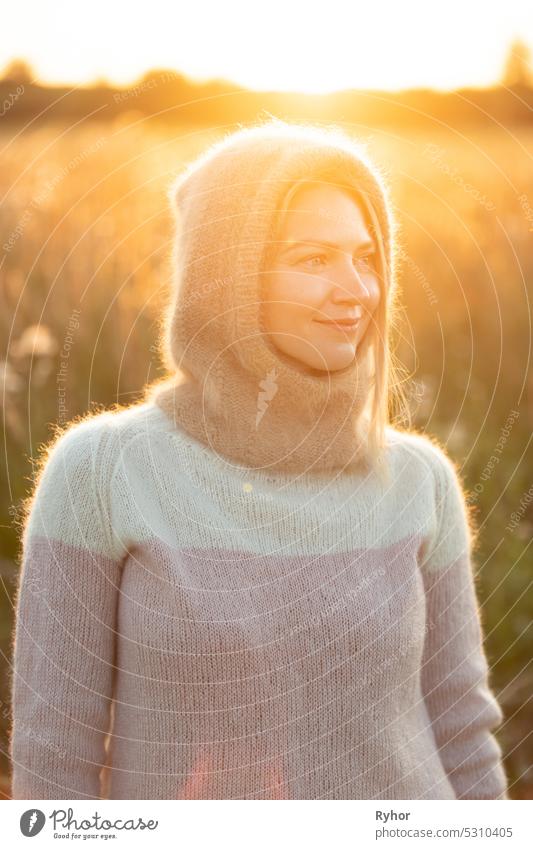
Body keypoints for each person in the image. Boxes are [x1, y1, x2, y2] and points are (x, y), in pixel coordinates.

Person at [10, 119, 509, 800]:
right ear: (226, 277)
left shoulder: (419, 480)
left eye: (366, 257)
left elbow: (460, 726)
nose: (356, 290)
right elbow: (54, 754)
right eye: (312, 259)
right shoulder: (102, 471)